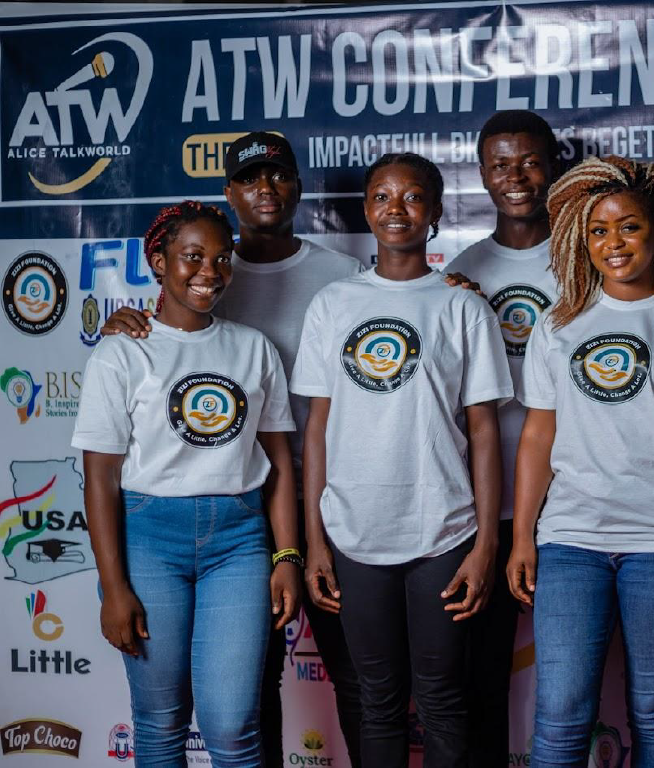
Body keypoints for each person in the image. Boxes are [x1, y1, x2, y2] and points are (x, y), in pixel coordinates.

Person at [100, 132, 365, 767]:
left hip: (325, 501)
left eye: (278, 175)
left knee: (352, 676)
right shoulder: (196, 286)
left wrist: (456, 288)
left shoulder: (342, 277)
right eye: (250, 178)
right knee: (239, 697)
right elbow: (172, 332)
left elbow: (403, 310)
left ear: (298, 186)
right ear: (229, 193)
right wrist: (123, 327)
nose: (265, 188)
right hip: (233, 503)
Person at [507, 156, 654, 766]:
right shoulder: (558, 325)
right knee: (560, 713)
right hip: (571, 539)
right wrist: (523, 537)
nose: (613, 242)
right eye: (598, 230)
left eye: (628, 226)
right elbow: (538, 436)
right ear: (581, 241)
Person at [292, 152, 513, 767]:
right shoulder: (333, 303)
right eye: (382, 197)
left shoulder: (462, 306)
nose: (397, 209)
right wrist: (315, 542)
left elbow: (484, 431)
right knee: (377, 700)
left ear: (436, 212)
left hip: (443, 529)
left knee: (442, 698)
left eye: (413, 197)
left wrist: (485, 546)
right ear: (366, 210)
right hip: (353, 531)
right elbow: (317, 429)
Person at [72, 201, 301, 767]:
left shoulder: (254, 347)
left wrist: (287, 555)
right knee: (160, 722)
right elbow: (99, 477)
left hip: (239, 540)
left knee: (234, 725)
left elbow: (279, 463)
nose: (209, 272)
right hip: (148, 539)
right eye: (192, 257)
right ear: (159, 261)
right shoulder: (121, 352)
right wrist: (113, 587)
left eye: (221, 259)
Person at [445, 109, 560, 767]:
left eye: (529, 162)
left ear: (553, 167)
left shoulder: (588, 256)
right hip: (484, 508)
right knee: (480, 678)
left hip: (570, 503)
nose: (515, 177)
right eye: (500, 165)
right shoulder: (463, 270)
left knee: (573, 681)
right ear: (483, 175)